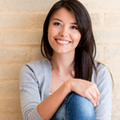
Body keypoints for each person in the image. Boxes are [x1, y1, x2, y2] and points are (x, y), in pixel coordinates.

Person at [19, 0, 112, 120]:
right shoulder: (31, 71)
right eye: (57, 24)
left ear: (82, 35)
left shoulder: (99, 73)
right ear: (47, 28)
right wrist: (68, 86)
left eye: (74, 27)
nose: (64, 33)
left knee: (80, 101)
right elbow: (30, 118)